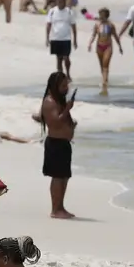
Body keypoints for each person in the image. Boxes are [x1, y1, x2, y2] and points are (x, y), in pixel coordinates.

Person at [40, 72, 76, 219]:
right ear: (55, 86)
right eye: (63, 85)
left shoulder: (59, 100)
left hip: (64, 143)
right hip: (55, 144)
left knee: (64, 176)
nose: (66, 88)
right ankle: (55, 209)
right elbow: (55, 122)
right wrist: (68, 109)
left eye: (67, 84)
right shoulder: (50, 101)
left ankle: (61, 206)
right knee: (57, 176)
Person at [87, 8, 123, 90]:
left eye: (103, 15)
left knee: (105, 65)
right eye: (100, 15)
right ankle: (105, 79)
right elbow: (93, 35)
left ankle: (104, 82)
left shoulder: (110, 25)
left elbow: (115, 36)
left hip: (108, 46)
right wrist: (90, 44)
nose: (101, 17)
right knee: (101, 66)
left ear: (106, 15)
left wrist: (120, 46)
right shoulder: (97, 25)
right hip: (99, 46)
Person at [46, 0, 77, 79]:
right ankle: (60, 75)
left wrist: (75, 40)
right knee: (59, 58)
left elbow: (73, 26)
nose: (60, 3)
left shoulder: (69, 12)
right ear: (57, 2)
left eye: (62, 1)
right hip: (55, 38)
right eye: (59, 1)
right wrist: (47, 38)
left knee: (66, 58)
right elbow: (48, 25)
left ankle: (68, 73)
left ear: (64, 2)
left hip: (66, 38)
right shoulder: (52, 11)